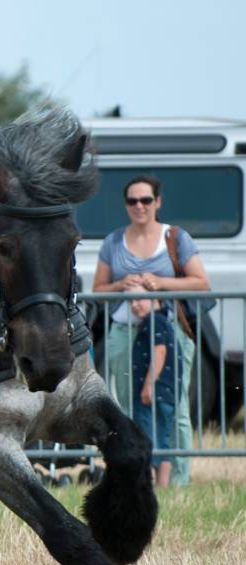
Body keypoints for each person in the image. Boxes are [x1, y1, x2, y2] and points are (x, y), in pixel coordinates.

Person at [92, 175, 208, 485]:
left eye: (145, 200)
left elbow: (201, 282)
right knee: (129, 407)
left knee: (175, 406)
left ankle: (179, 479)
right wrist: (120, 284)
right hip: (124, 333)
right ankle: (139, 477)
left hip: (168, 333)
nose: (139, 206)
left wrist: (162, 283)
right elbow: (98, 289)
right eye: (132, 201)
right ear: (126, 205)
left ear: (158, 202)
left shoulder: (175, 238)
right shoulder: (113, 241)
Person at [127, 286, 178, 486]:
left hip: (153, 394)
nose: (134, 304)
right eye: (130, 301)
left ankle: (147, 486)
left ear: (155, 298)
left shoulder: (154, 321)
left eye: (139, 299)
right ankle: (163, 487)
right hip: (165, 393)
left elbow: (160, 352)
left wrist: (148, 385)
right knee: (162, 441)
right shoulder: (162, 321)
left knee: (146, 440)